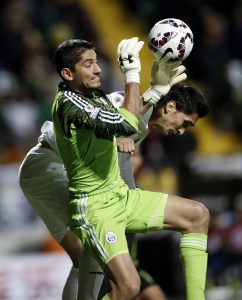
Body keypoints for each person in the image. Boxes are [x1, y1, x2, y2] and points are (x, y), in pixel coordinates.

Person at [51, 37, 210, 300]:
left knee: (198, 216)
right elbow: (124, 124)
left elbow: (128, 122)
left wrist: (156, 91)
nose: (98, 69)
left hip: (121, 197)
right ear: (68, 73)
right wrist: (132, 73)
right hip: (95, 207)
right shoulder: (70, 103)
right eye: (88, 64)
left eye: (96, 62)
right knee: (128, 287)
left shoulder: (95, 97)